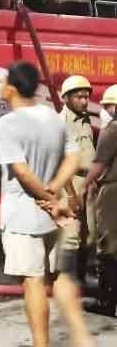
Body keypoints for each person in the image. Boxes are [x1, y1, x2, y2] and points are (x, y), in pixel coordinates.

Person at [0, 61, 93, 347]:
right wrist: (55, 193)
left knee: (33, 283)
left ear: (12, 88)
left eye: (3, 81)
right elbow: (73, 158)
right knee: (50, 279)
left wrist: (47, 198)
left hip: (23, 218)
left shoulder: (8, 123)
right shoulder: (52, 116)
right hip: (52, 219)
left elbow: (22, 172)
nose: (0, 86)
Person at [81, 85, 117, 317]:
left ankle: (106, 302)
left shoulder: (112, 129)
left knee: (108, 245)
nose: (104, 110)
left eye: (107, 106)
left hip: (112, 190)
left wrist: (85, 184)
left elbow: (99, 163)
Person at [58, 75, 96, 280]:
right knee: (70, 236)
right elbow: (61, 163)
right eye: (79, 97)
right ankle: (67, 284)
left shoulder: (85, 119)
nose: (84, 101)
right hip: (71, 184)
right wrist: (71, 195)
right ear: (67, 98)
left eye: (87, 97)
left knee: (88, 236)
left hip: (87, 183)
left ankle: (79, 280)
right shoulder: (61, 122)